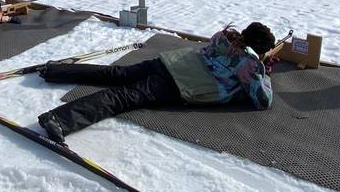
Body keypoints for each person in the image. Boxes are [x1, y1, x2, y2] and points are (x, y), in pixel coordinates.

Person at [36, 22, 276, 144]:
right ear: (260, 49)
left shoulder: (223, 38)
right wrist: (264, 70)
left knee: (116, 73)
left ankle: (54, 70)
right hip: (181, 84)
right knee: (122, 97)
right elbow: (262, 100)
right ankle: (59, 120)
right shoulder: (249, 65)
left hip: (170, 62)